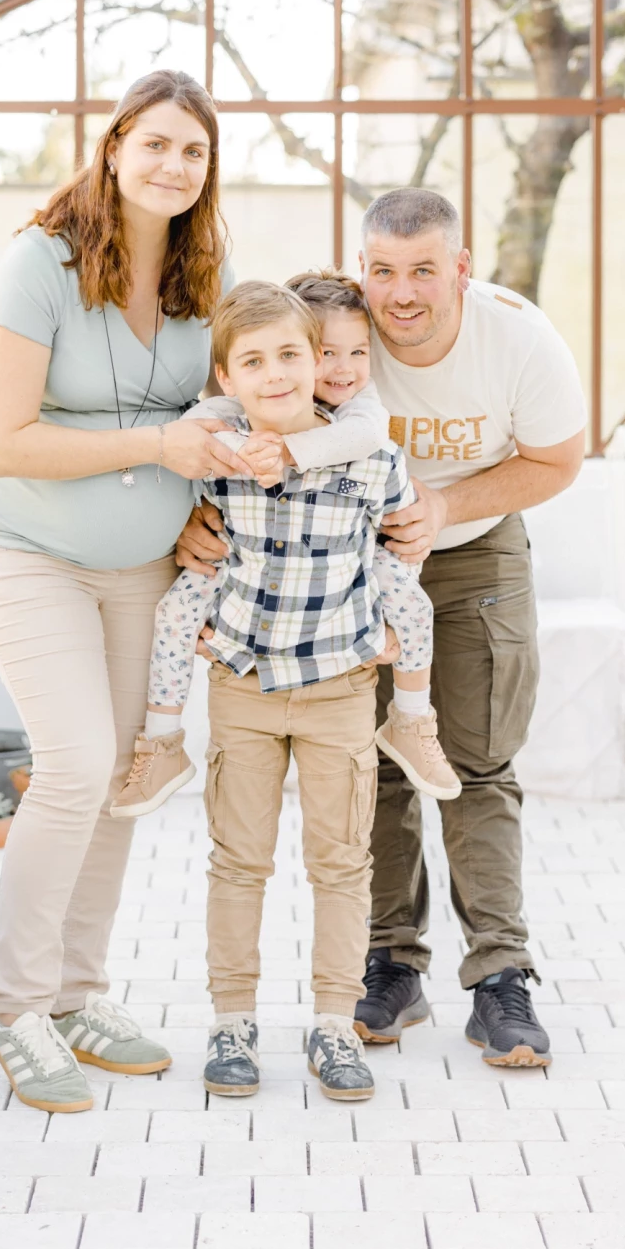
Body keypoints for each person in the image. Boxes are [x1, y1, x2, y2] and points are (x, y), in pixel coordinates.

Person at [176, 188, 585, 1069]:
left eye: (425, 271)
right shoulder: (328, 330)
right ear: (361, 269)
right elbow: (235, 394)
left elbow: (558, 460)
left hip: (473, 549)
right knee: (370, 769)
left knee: (474, 761)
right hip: (343, 571)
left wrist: (443, 505)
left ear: (461, 271)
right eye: (385, 270)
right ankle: (390, 962)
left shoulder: (518, 339)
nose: (403, 293)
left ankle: (501, 978)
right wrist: (189, 521)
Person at [0, 68, 242, 1115]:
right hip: (28, 553)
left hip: (147, 570)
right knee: (76, 763)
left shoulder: (202, 272)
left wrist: (203, 506)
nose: (174, 165)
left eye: (195, 151)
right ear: (115, 147)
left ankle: (78, 995)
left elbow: (223, 414)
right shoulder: (41, 261)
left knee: (124, 775)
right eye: (157, 143)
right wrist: (159, 444)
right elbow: (5, 440)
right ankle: (14, 1006)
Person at [111, 269, 459, 820]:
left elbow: (375, 471)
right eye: (328, 351)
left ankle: (414, 720)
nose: (342, 370)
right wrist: (231, 452)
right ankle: (161, 742)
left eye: (358, 353)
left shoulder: (363, 418)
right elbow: (201, 424)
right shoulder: (250, 400)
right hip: (241, 579)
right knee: (174, 613)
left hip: (348, 594)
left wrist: (380, 615)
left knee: (415, 606)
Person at [187, 280, 417, 1102]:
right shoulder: (217, 458)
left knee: (340, 861)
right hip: (243, 686)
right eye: (255, 360)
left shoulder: (372, 455)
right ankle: (232, 1021)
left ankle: (331, 1024)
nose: (278, 373)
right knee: (239, 860)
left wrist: (392, 632)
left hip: (340, 690)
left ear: (315, 362)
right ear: (227, 375)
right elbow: (190, 546)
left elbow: (399, 546)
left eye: (292, 354)